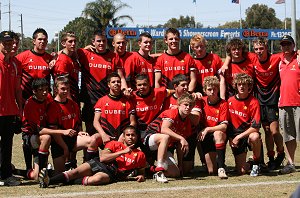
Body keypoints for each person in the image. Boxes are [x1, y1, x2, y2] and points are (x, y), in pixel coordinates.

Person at [38, 125, 146, 187]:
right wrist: (122, 152)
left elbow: (141, 171)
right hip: (99, 163)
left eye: (133, 135)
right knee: (74, 172)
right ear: (124, 136)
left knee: (96, 180)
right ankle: (48, 181)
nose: (130, 137)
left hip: (110, 172)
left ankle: (53, 178)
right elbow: (103, 158)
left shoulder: (140, 155)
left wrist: (141, 176)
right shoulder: (115, 144)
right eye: (128, 135)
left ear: (137, 137)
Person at [77, 30, 127, 134]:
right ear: (93, 42)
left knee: (108, 130)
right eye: (98, 41)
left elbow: (121, 77)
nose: (101, 43)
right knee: (90, 131)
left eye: (103, 41)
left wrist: (124, 89)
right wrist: (85, 47)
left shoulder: (113, 56)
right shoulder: (84, 54)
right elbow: (64, 53)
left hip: (107, 99)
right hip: (90, 100)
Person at [142, 93, 196, 182]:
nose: (188, 107)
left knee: (175, 173)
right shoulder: (172, 112)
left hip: (166, 147)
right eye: (185, 104)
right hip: (150, 139)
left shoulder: (187, 122)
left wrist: (180, 165)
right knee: (165, 137)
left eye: (190, 105)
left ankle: (150, 170)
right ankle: (159, 171)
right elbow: (164, 129)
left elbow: (180, 145)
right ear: (179, 105)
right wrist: (182, 138)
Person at [45, 75, 94, 173]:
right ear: (55, 89)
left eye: (67, 89)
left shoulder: (73, 104)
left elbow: (78, 124)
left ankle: (90, 167)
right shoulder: (52, 107)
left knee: (92, 140)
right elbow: (54, 132)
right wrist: (65, 148)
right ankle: (49, 172)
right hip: (59, 143)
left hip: (73, 140)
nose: (65, 91)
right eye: (62, 89)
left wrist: (80, 132)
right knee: (61, 174)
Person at [251, 37, 285, 170]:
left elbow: (291, 53)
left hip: (273, 100)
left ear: (266, 48)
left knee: (274, 131)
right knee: (266, 131)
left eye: (261, 48)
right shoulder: (253, 59)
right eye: (256, 49)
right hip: (260, 100)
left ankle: (280, 153)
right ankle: (271, 158)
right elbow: (233, 54)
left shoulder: (276, 58)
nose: (259, 51)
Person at [88, 72, 136, 152]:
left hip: (122, 135)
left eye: (118, 81)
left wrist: (124, 135)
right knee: (93, 139)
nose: (116, 83)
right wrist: (103, 135)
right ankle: (93, 161)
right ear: (108, 85)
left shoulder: (128, 101)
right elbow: (95, 122)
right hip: (106, 135)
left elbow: (133, 122)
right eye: (113, 82)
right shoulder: (101, 101)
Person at [227, 73, 261, 176]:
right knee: (241, 171)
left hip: (247, 135)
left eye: (244, 85)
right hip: (236, 136)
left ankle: (256, 163)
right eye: (239, 84)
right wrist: (231, 138)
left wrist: (239, 136)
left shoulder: (254, 102)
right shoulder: (230, 101)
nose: (242, 87)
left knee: (255, 137)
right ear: (236, 86)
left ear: (249, 87)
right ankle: (250, 162)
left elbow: (255, 128)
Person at [19, 78, 53, 180]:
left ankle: (66, 165)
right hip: (31, 137)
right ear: (34, 91)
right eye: (41, 90)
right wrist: (61, 131)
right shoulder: (30, 104)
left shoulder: (48, 98)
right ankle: (43, 169)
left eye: (46, 89)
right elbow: (39, 130)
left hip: (43, 135)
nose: (44, 92)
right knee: (46, 137)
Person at [0, 31, 22, 186]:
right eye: (5, 43)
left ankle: (6, 175)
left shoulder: (15, 63)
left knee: (7, 145)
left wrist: (19, 108)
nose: (8, 45)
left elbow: (17, 89)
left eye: (10, 43)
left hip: (9, 111)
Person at [198, 76, 228, 179]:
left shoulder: (223, 103)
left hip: (216, 133)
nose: (212, 92)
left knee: (218, 133)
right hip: (205, 137)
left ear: (218, 89)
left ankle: (221, 167)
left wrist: (208, 129)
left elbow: (224, 126)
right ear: (204, 90)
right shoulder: (201, 101)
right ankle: (207, 162)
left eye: (214, 89)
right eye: (209, 89)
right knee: (211, 171)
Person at [277, 35, 299, 174]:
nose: (286, 47)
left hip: (299, 103)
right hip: (284, 103)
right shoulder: (279, 61)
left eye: (288, 44)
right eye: (283, 44)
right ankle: (290, 163)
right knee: (288, 136)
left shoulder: (298, 58)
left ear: (293, 45)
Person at [16, 28, 53, 105]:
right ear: (34, 41)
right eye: (39, 39)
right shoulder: (22, 57)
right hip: (25, 101)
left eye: (44, 39)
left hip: (44, 102)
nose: (42, 41)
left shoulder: (50, 59)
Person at [53, 31, 80, 104]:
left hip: (74, 96)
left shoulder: (73, 57)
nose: (73, 44)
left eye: (75, 41)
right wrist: (70, 103)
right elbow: (62, 85)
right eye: (70, 42)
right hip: (66, 100)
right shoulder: (63, 60)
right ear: (63, 43)